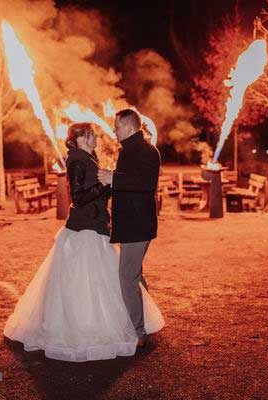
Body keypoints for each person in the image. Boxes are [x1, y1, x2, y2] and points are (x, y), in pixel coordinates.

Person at [3, 122, 165, 362]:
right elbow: (78, 197)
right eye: (89, 135)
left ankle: (131, 323)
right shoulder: (77, 160)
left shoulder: (90, 158)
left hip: (97, 225)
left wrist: (112, 184)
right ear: (78, 139)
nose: (94, 138)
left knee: (112, 278)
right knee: (85, 281)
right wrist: (104, 185)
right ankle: (88, 328)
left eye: (93, 134)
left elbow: (99, 190)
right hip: (84, 228)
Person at [98, 109, 161, 348]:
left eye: (117, 127)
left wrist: (113, 179)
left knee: (127, 276)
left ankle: (138, 331)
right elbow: (128, 183)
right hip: (132, 225)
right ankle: (149, 322)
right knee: (134, 274)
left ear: (130, 128)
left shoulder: (145, 151)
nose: (114, 131)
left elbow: (146, 184)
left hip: (138, 226)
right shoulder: (129, 150)